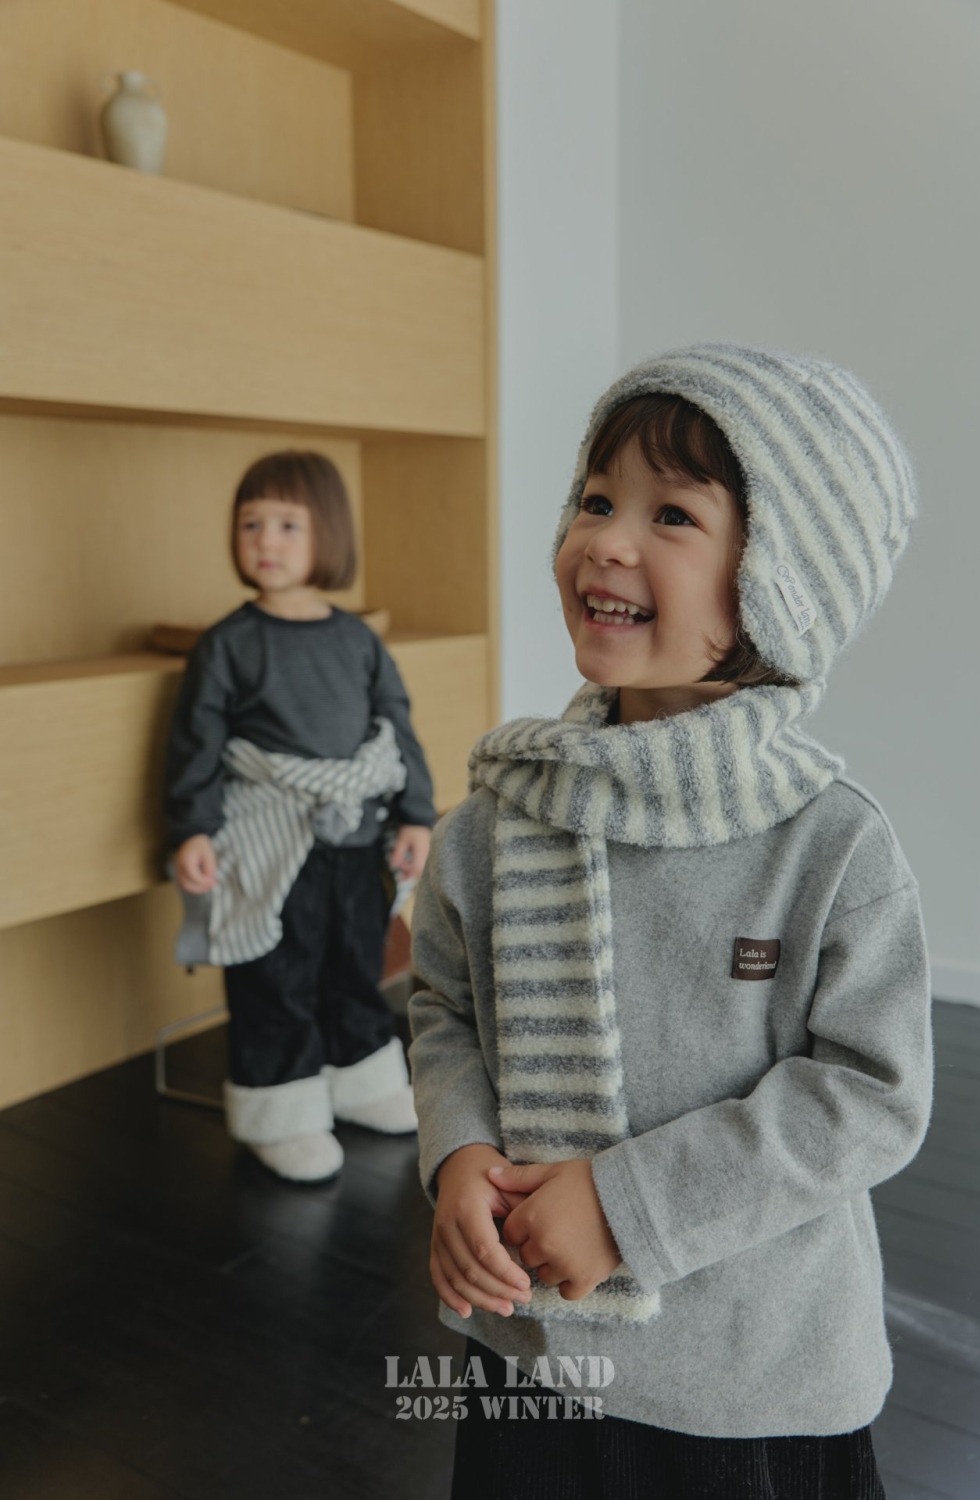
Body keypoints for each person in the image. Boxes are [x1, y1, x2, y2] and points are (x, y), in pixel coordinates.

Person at [408, 345, 932, 1499]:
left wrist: (624, 1206)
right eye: (596, 499)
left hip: (747, 1382)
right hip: (531, 1347)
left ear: (781, 581)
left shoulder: (827, 844)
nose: (606, 539)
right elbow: (443, 1007)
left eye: (672, 514)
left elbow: (871, 1095)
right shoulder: (495, 823)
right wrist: (459, 1153)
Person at [164, 450, 435, 1183]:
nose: (266, 541)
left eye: (288, 525)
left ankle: (359, 1076)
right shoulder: (229, 643)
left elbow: (396, 731)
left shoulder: (357, 640)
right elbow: (198, 744)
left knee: (355, 960)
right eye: (251, 523)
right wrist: (192, 829)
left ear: (329, 535)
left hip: (355, 837)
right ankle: (280, 1109)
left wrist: (415, 815)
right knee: (274, 972)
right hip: (267, 839)